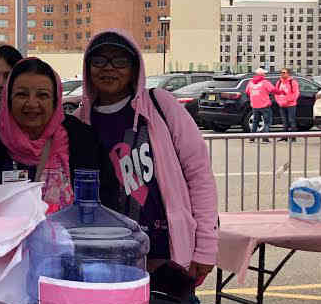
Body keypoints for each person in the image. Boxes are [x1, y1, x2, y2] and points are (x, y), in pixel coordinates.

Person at [76, 30, 218, 281]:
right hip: (107, 257)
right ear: (88, 68)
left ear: (134, 68)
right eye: (99, 60)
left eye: (120, 60)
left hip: (167, 255)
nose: (109, 68)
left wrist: (205, 248)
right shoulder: (80, 122)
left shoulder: (161, 105)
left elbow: (200, 177)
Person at [0, 57, 116, 210]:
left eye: (42, 95)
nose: (32, 104)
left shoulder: (83, 139)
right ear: (8, 99)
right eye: (22, 95)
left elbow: (106, 199)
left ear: (55, 101)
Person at [246, 68, 277, 137]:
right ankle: (265, 138)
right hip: (264, 105)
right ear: (262, 74)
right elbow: (273, 90)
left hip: (254, 105)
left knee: (255, 121)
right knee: (267, 122)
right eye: (264, 73)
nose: (265, 75)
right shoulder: (265, 82)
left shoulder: (250, 82)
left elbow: (247, 92)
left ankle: (252, 138)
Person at [274, 68, 299, 136]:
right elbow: (276, 93)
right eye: (281, 72)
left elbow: (296, 93)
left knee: (291, 120)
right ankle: (284, 136)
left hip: (291, 105)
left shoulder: (292, 82)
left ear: (288, 73)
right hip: (282, 105)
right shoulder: (279, 82)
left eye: (284, 72)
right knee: (284, 121)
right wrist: (278, 101)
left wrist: (289, 100)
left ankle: (293, 136)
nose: (282, 74)